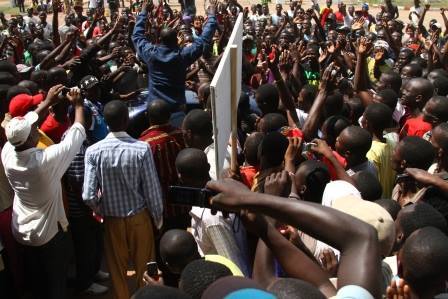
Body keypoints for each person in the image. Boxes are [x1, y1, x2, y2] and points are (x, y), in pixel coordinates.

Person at [1, 85, 86, 299]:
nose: (35, 126)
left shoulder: (8, 151)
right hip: (49, 234)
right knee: (56, 282)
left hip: (22, 230)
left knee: (37, 280)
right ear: (31, 138)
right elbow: (76, 135)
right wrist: (78, 105)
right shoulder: (44, 161)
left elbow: (22, 128)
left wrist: (47, 102)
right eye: (33, 129)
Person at [83, 100, 164, 299]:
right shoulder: (141, 149)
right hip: (139, 218)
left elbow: (88, 195)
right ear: (127, 120)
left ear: (106, 122)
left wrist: (102, 209)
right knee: (146, 268)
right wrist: (158, 219)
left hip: (112, 221)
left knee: (117, 272)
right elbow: (152, 190)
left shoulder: (93, 151)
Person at [132, 0, 218, 127]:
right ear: (177, 41)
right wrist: (211, 16)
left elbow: (137, 37)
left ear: (160, 40)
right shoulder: (183, 56)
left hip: (155, 114)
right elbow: (204, 39)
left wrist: (143, 12)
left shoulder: (151, 54)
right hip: (177, 111)